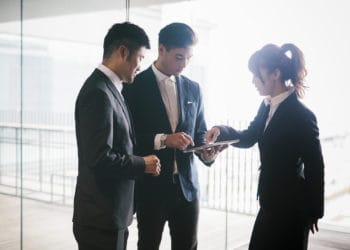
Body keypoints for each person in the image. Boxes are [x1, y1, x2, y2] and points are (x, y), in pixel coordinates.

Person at [206, 43, 325, 250]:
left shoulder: (303, 116)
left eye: (256, 74)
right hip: (269, 203)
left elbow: (315, 166)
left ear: (275, 74)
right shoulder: (267, 105)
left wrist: (314, 212)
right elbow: (249, 136)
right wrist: (221, 131)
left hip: (292, 209)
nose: (253, 81)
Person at [123, 22, 218, 250]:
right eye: (179, 57)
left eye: (188, 58)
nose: (184, 64)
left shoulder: (194, 88)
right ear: (161, 49)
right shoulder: (133, 86)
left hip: (187, 190)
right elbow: (128, 141)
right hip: (150, 189)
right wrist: (165, 139)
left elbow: (200, 132)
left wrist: (208, 151)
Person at [72, 22, 161, 250]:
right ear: (123, 51)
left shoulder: (110, 89)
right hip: (100, 219)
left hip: (111, 216)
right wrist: (143, 164)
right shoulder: (98, 93)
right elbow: (100, 158)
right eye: (140, 58)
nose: (141, 66)